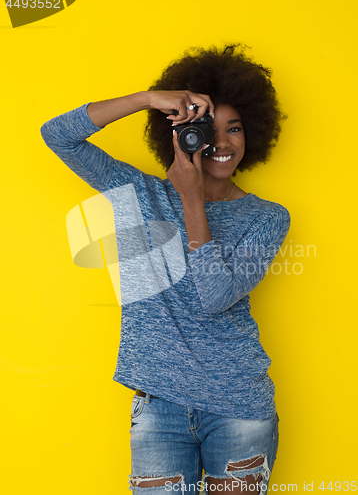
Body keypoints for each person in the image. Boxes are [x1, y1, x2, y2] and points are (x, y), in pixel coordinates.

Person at [41, 44, 290, 495]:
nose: (222, 142)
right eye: (207, 130)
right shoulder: (138, 193)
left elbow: (214, 297)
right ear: (179, 134)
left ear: (252, 132)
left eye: (234, 129)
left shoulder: (267, 217)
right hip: (160, 408)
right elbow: (56, 134)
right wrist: (146, 99)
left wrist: (193, 200)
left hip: (238, 407)